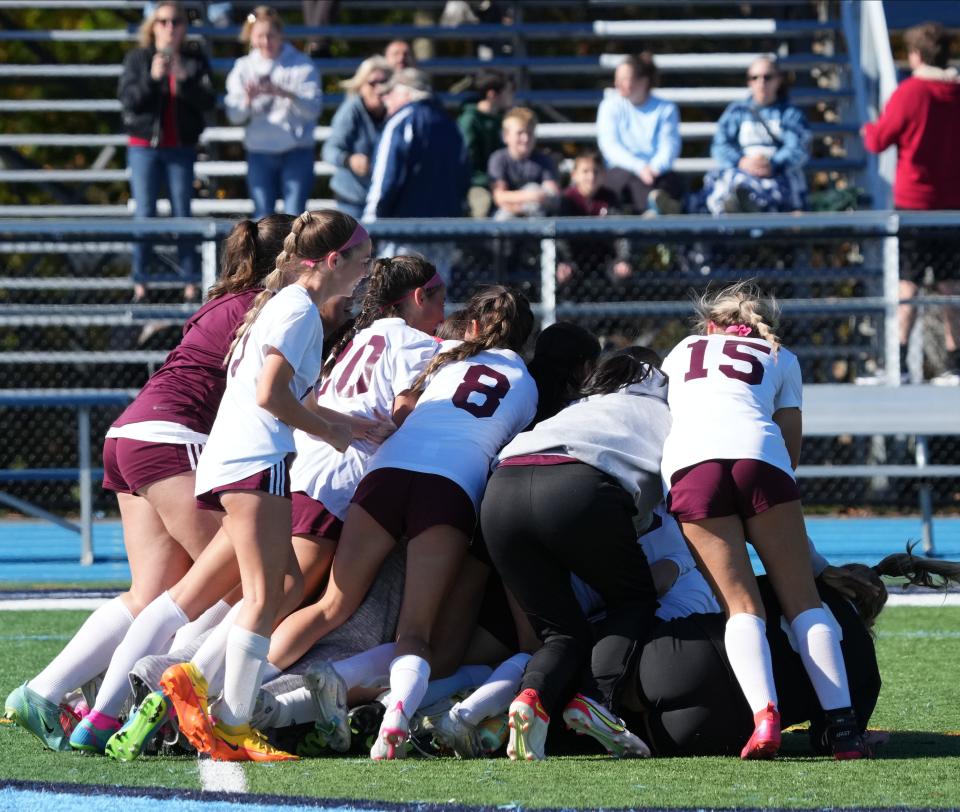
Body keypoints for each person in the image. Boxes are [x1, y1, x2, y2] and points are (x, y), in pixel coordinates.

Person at [3, 214, 297, 752]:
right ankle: (137, 705)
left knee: (153, 591)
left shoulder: (224, 299)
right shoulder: (272, 309)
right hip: (173, 434)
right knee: (242, 584)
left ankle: (45, 692)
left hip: (133, 430)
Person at [156, 211, 394, 763]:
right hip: (254, 459)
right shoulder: (300, 309)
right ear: (333, 261)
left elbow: (290, 394)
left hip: (242, 458)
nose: (365, 273)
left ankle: (205, 692)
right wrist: (331, 432)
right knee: (265, 596)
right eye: (361, 261)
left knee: (280, 582)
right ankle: (229, 718)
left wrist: (350, 423)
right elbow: (270, 395)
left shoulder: (284, 302)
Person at [265, 286, 537, 761]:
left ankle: (237, 695)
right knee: (415, 633)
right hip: (449, 485)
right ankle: (394, 720)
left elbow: (402, 407)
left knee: (332, 604)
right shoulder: (527, 382)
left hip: (387, 471)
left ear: (471, 326)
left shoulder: (446, 354)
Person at [659, 280, 868, 761]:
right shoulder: (781, 356)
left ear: (709, 325)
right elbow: (789, 445)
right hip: (760, 461)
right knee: (804, 604)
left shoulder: (683, 349)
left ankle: (764, 716)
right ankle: (844, 730)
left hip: (692, 466)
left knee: (740, 608)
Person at [481, 347, 670, 761]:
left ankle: (532, 698)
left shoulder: (584, 403)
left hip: (501, 488)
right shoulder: (672, 408)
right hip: (577, 486)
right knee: (634, 599)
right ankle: (595, 701)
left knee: (560, 631)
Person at [862, 22, 960, 386]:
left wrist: (868, 130)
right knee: (951, 285)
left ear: (917, 55)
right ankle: (953, 365)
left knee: (909, 285)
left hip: (915, 204)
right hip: (953, 206)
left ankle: (900, 364)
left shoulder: (911, 92)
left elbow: (879, 140)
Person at [119, 0, 215, 303]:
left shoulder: (194, 58)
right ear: (153, 26)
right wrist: (152, 77)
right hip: (144, 147)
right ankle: (141, 285)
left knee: (182, 215)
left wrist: (185, 81)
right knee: (145, 214)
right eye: (163, 21)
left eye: (176, 21)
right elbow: (129, 101)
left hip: (181, 148)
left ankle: (189, 284)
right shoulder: (138, 57)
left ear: (185, 27)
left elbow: (209, 102)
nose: (170, 27)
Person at [364, 69, 470, 283]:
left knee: (397, 296)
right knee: (435, 296)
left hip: (402, 231)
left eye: (390, 93)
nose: (386, 99)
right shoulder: (450, 125)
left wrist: (371, 225)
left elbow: (386, 180)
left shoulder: (401, 122)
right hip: (444, 231)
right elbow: (463, 178)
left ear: (406, 93)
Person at [225, 6, 322, 220]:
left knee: (296, 217)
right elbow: (234, 115)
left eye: (271, 35)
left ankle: (295, 256)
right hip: (259, 151)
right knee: (262, 219)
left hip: (296, 151)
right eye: (260, 36)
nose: (266, 42)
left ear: (281, 35)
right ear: (251, 36)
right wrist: (247, 100)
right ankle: (266, 256)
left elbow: (314, 110)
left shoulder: (301, 64)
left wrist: (287, 93)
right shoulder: (243, 67)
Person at [700, 55, 810, 215]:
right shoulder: (737, 111)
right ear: (748, 81)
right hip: (742, 172)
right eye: (755, 77)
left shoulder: (790, 114)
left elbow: (798, 148)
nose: (761, 82)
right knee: (727, 183)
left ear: (778, 80)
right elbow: (720, 145)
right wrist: (741, 161)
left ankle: (750, 207)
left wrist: (772, 164)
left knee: (781, 188)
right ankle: (741, 205)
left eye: (767, 77)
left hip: (777, 175)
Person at [595, 53, 683, 216]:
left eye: (624, 79)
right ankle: (653, 213)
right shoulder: (609, 106)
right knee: (629, 182)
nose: (617, 83)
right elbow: (610, 146)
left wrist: (654, 168)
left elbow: (669, 146)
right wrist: (639, 167)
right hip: (622, 170)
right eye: (617, 78)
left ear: (643, 81)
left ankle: (655, 213)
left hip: (656, 173)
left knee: (671, 182)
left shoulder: (666, 108)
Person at [322, 56, 392, 219]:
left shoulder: (396, 111)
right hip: (352, 198)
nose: (378, 88)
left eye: (384, 83)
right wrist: (349, 160)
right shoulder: (351, 110)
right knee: (355, 244)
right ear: (360, 86)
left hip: (385, 198)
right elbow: (329, 150)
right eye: (372, 83)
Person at [557, 150, 633, 292]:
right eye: (585, 171)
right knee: (563, 276)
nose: (591, 177)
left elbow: (621, 231)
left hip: (606, 257)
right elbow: (560, 238)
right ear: (574, 175)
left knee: (622, 276)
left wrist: (623, 259)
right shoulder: (567, 199)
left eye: (596, 172)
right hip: (573, 258)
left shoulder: (610, 198)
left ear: (603, 175)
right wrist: (563, 261)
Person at [458, 69, 515, 218]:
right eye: (508, 92)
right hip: (477, 185)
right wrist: (491, 181)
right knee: (481, 206)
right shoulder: (469, 121)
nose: (512, 97)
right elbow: (467, 164)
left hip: (499, 182)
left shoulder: (503, 120)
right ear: (492, 94)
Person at [487, 106, 559, 219]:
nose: (525, 138)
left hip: (536, 216)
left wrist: (530, 197)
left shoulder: (544, 160)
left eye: (529, 133)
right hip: (506, 215)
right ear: (506, 136)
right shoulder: (498, 159)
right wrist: (529, 197)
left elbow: (552, 194)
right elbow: (499, 197)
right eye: (520, 133)